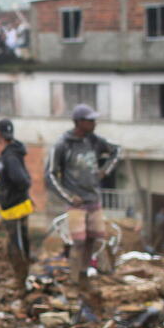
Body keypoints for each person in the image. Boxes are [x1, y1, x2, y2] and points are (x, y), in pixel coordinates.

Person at [47, 103, 121, 292]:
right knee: (78, 240)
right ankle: (74, 279)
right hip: (76, 202)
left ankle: (84, 273)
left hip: (93, 198)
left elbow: (116, 151)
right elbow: (51, 174)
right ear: (79, 122)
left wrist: (105, 171)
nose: (94, 124)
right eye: (90, 121)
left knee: (93, 238)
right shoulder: (63, 144)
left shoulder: (93, 141)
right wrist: (69, 196)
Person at [0, 119, 33, 288]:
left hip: (14, 208)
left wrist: (11, 193)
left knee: (16, 245)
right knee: (18, 242)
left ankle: (21, 279)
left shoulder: (9, 157)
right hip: (16, 205)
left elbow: (22, 180)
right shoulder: (13, 153)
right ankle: (22, 276)